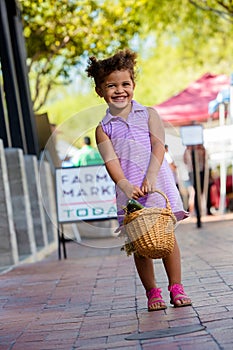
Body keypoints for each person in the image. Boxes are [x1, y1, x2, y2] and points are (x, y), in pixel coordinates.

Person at [86, 49, 192, 311]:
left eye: (125, 84)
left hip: (156, 184)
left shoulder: (149, 114)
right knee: (140, 243)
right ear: (100, 90)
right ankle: (152, 291)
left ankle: (176, 286)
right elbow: (111, 161)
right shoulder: (104, 128)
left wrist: (151, 177)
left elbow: (158, 147)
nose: (119, 90)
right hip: (129, 190)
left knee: (165, 236)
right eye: (111, 85)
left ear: (133, 85)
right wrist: (123, 184)